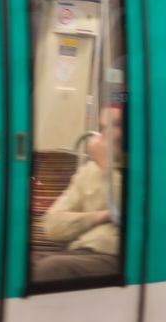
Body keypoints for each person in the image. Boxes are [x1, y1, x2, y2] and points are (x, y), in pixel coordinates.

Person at [34, 107, 123, 282]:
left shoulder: (144, 169)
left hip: (116, 255)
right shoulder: (89, 171)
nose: (109, 134)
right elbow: (52, 225)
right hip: (80, 251)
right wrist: (99, 217)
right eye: (104, 128)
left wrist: (107, 165)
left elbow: (124, 210)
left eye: (117, 125)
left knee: (52, 269)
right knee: (14, 264)